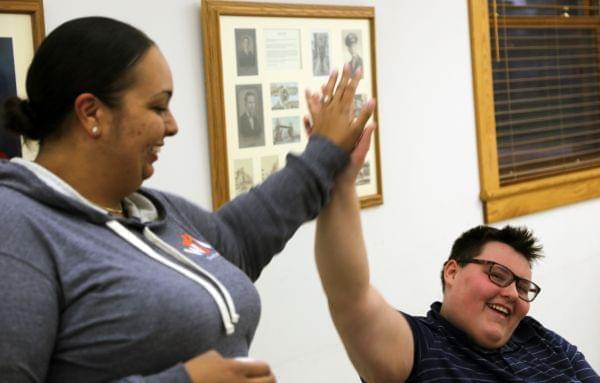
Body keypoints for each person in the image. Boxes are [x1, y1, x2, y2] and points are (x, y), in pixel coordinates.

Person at [0, 17, 372, 382]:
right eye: (158, 107)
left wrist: (324, 152)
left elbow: (238, 239)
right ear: (91, 113)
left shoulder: (147, 211)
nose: (172, 125)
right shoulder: (16, 225)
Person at [314, 170, 600, 380]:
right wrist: (341, 181)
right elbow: (349, 295)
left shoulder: (541, 339)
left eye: (524, 287)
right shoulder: (419, 347)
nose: (513, 293)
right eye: (498, 274)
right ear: (452, 271)